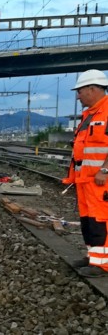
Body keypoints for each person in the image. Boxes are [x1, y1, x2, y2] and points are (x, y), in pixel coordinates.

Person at [63, 69, 108, 278]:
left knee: (101, 221)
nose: (78, 95)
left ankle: (103, 265)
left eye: (80, 91)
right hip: (86, 181)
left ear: (92, 89)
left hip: (101, 181)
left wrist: (105, 170)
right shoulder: (89, 116)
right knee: (88, 222)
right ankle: (93, 258)